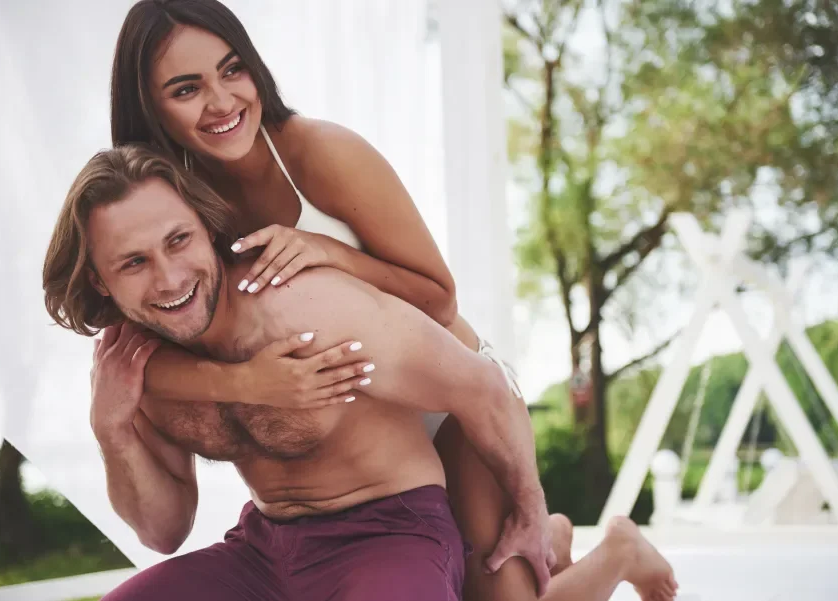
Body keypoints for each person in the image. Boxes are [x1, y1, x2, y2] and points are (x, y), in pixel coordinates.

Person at [43, 145, 677, 601]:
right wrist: (113, 431)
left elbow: (482, 386)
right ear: (100, 277)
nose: (169, 279)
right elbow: (164, 529)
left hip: (390, 530)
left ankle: (613, 550)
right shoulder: (135, 368)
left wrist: (530, 509)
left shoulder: (301, 306)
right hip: (265, 547)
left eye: (178, 241)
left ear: (207, 231)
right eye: (133, 263)